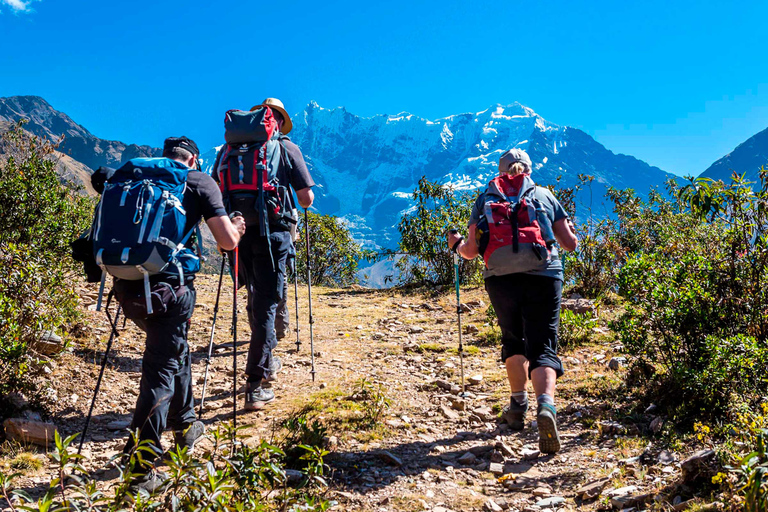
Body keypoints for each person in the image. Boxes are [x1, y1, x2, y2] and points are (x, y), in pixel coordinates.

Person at [104, 137, 246, 492]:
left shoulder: (134, 177)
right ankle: (140, 469)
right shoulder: (197, 180)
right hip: (169, 292)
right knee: (160, 369)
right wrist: (238, 228)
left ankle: (185, 424)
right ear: (194, 159)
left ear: (165, 156)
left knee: (173, 349)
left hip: (125, 286)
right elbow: (226, 241)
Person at [447, 148, 577, 454]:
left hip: (499, 278)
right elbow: (569, 244)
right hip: (544, 275)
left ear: (500, 171)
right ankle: (546, 407)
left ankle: (518, 406)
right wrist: (570, 230)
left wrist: (455, 245)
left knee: (512, 338)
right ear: (529, 171)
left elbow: (470, 252)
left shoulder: (484, 201)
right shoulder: (545, 196)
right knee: (543, 342)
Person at [233, 98, 315, 411]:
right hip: (274, 235)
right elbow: (306, 199)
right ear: (279, 121)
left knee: (256, 297)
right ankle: (256, 382)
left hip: (238, 233)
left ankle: (265, 357)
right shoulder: (286, 148)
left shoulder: (231, 151)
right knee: (268, 302)